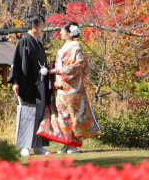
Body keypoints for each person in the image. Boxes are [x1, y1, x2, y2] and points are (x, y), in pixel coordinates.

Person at [37, 21, 101, 154]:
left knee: (73, 115)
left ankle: (73, 145)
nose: (60, 32)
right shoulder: (63, 47)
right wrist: (52, 67)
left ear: (69, 32)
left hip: (71, 87)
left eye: (62, 30)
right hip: (60, 86)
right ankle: (66, 143)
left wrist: (57, 71)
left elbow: (78, 65)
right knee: (62, 115)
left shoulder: (76, 47)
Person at [8, 14, 50, 157]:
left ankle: (38, 146)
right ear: (34, 26)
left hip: (40, 83)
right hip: (27, 84)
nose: (42, 28)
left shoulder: (38, 43)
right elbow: (17, 62)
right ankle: (25, 146)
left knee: (39, 114)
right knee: (27, 113)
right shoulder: (24, 42)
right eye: (41, 25)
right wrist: (15, 82)